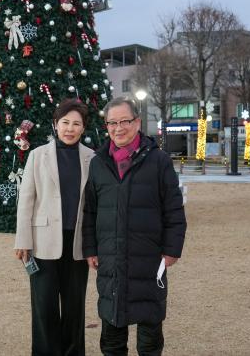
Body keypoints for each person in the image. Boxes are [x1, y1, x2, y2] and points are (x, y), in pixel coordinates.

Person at [83, 97, 187, 356]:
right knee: (112, 329)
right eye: (112, 123)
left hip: (149, 257)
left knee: (150, 330)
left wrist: (172, 250)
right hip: (110, 257)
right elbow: (89, 211)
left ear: (137, 122)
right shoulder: (98, 163)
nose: (118, 128)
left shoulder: (159, 160)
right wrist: (90, 249)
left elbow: (174, 209)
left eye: (125, 121)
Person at [15, 98, 96, 356]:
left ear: (83, 128)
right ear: (55, 124)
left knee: (74, 308)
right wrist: (23, 240)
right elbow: (26, 200)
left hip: (78, 245)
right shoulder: (38, 155)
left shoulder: (93, 158)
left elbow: (96, 204)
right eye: (65, 123)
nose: (70, 129)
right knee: (44, 307)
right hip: (42, 243)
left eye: (76, 124)